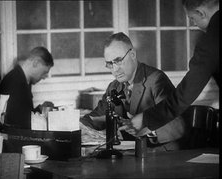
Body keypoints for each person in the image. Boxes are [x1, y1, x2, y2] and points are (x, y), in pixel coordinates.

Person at [123, 0, 219, 137]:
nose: (193, 24)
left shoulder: (210, 41)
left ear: (201, 13)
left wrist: (147, 118)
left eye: (192, 18)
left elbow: (184, 95)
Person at [81, 32, 187, 151]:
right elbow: (95, 117)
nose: (115, 69)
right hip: (131, 153)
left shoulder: (156, 80)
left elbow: (177, 127)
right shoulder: (114, 87)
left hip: (160, 153)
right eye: (110, 64)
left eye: (119, 61)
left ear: (132, 54)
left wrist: (146, 129)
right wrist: (73, 125)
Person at [0, 46, 54, 129]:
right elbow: (14, 123)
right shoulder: (14, 81)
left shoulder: (25, 80)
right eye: (44, 72)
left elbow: (22, 114)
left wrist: (40, 109)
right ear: (35, 63)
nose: (44, 77)